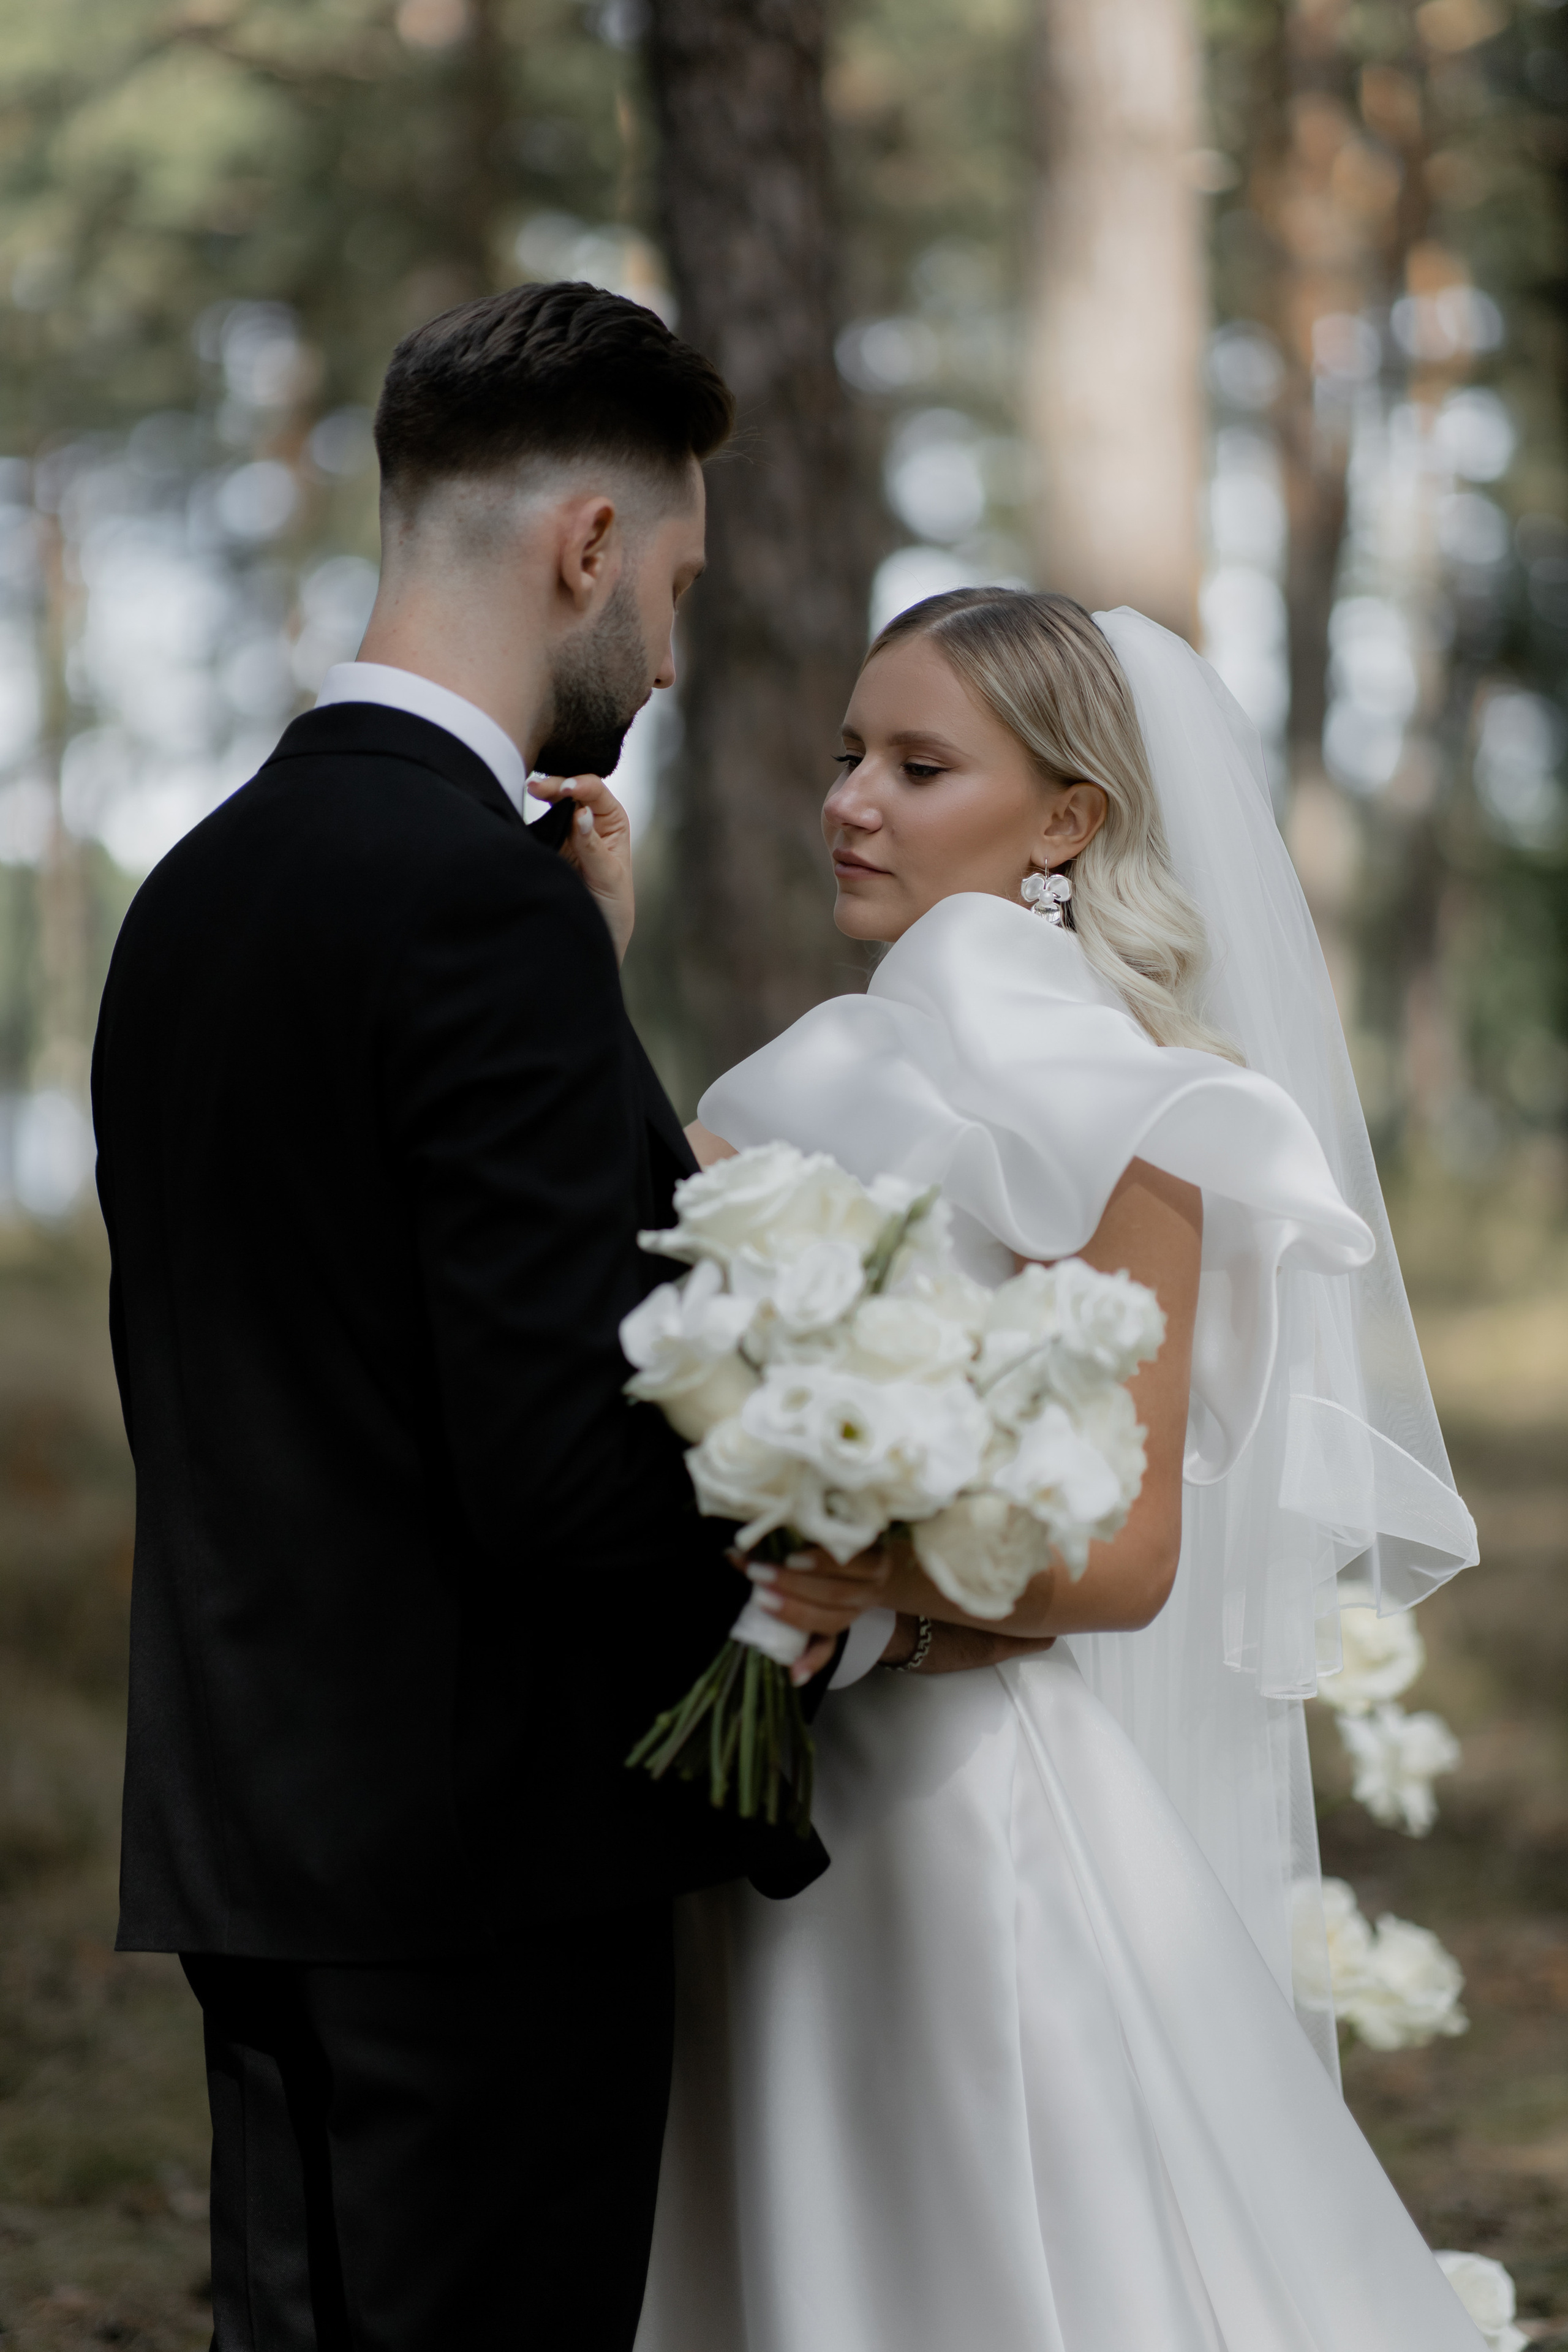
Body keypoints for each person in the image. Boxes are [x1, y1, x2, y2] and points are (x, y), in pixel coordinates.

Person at [89, 280, 886, 2352]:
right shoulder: (474, 904)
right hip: (485, 1866)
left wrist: (583, 992)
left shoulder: (200, 886)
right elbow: (548, 1455)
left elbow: (311, 1332)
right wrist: (799, 1602)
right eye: (685, 582)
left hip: (255, 1828)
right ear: (587, 550)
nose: (683, 651)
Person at [622, 590, 1490, 2348]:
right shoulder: (785, 1082)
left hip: (957, 1809)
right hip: (752, 1799)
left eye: (919, 765)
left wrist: (877, 1584)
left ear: (1070, 819)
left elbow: (1130, 1560)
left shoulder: (1144, 1117)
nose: (851, 800)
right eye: (847, 756)